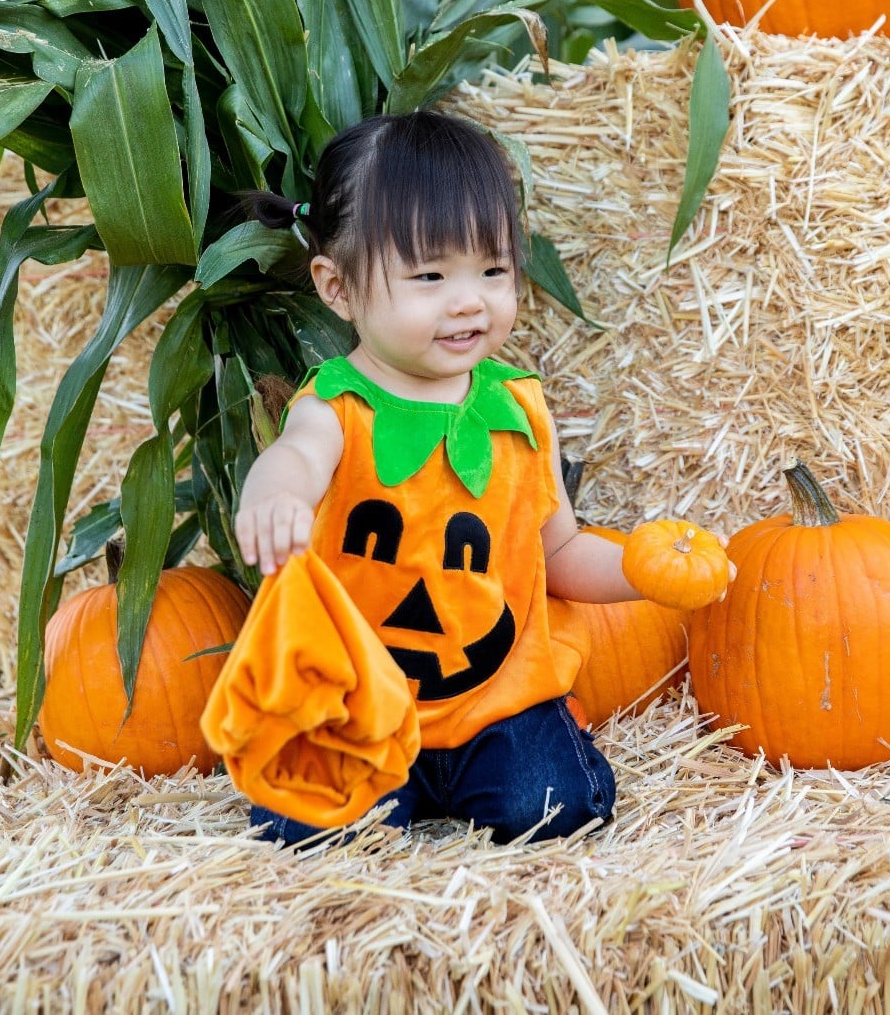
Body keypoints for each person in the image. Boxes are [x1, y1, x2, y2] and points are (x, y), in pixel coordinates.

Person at [234, 109, 729, 846]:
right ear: (336, 287)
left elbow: (557, 553)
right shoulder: (336, 409)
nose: (469, 300)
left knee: (556, 807)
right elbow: (299, 455)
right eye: (430, 275)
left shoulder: (519, 407)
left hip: (493, 701)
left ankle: (482, 772)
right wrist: (275, 491)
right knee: (315, 830)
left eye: (492, 269)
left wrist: (640, 569)